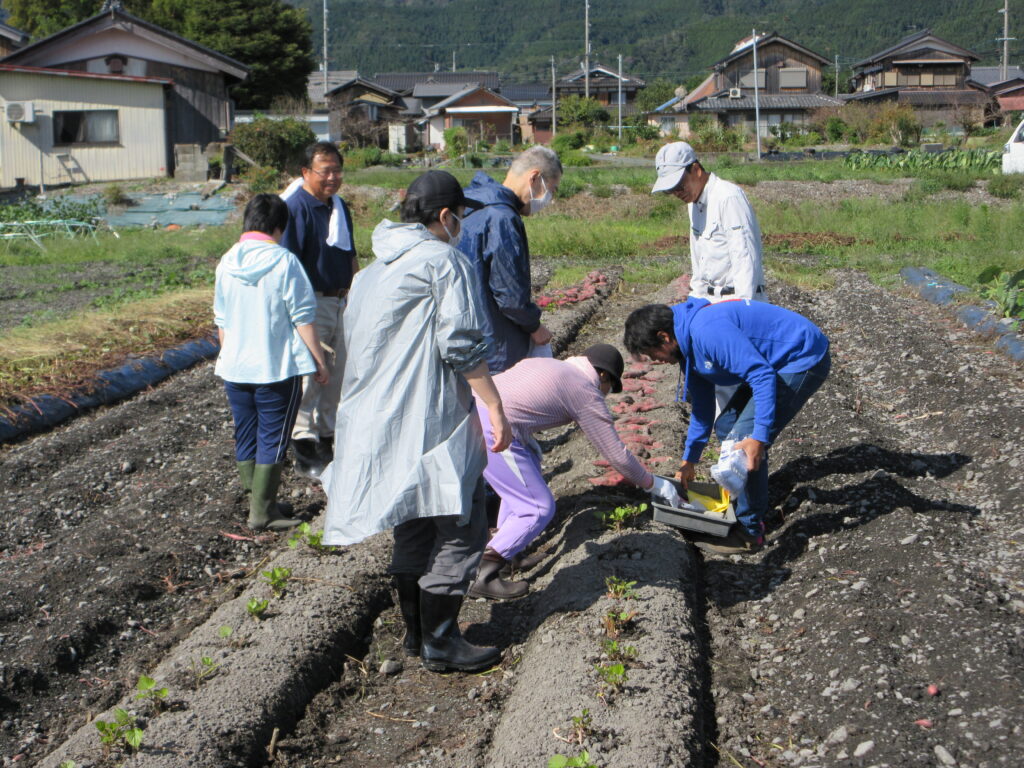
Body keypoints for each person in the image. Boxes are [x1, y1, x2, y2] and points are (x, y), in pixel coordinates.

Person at [321, 171, 512, 674]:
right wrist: (493, 404)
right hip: (432, 418)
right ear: (446, 217)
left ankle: (414, 635)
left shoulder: (371, 273)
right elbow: (462, 344)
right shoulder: (444, 261)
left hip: (379, 422)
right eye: (462, 217)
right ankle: (442, 642)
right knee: (460, 528)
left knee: (411, 527)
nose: (463, 226)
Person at [467, 344, 683, 600]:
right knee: (538, 507)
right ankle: (483, 572)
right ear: (603, 376)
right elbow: (615, 453)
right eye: (609, 388)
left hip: (475, 412)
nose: (606, 395)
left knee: (530, 470)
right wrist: (653, 484)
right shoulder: (582, 389)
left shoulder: (554, 365)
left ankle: (510, 549)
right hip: (493, 428)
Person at [623, 300, 830, 555]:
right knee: (727, 425)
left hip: (800, 357)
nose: (657, 361)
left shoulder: (707, 332)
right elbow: (702, 406)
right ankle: (744, 495)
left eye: (654, 354)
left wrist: (759, 436)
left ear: (664, 337)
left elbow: (761, 375)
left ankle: (749, 532)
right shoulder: (687, 348)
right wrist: (689, 460)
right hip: (771, 363)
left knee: (745, 442)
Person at [213, 194, 329, 531]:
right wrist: (319, 361)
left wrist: (230, 356)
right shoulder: (284, 262)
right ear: (279, 227)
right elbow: (303, 317)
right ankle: (262, 513)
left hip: (235, 367)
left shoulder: (227, 261)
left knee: (246, 432)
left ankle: (258, 499)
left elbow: (222, 319)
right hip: (275, 367)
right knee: (274, 437)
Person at [280, 141, 358, 479]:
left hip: (341, 298)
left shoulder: (338, 208)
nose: (332, 178)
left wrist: (358, 290)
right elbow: (287, 264)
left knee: (338, 373)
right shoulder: (295, 208)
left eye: (337, 170)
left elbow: (350, 254)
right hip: (312, 301)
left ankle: (328, 437)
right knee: (312, 373)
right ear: (305, 172)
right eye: (324, 171)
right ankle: (304, 444)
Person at [458, 146, 562, 373]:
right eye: (550, 189)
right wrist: (534, 326)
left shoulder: (469, 206)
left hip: (464, 336)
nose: (548, 199)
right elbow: (509, 293)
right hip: (496, 344)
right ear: (534, 178)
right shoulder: (502, 218)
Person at [652, 141, 766, 304]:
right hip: (710, 300)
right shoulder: (693, 204)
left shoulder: (728, 197)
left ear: (696, 170)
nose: (676, 193)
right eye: (670, 190)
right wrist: (695, 301)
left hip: (737, 300)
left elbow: (743, 256)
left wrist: (742, 309)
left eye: (679, 186)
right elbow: (699, 258)